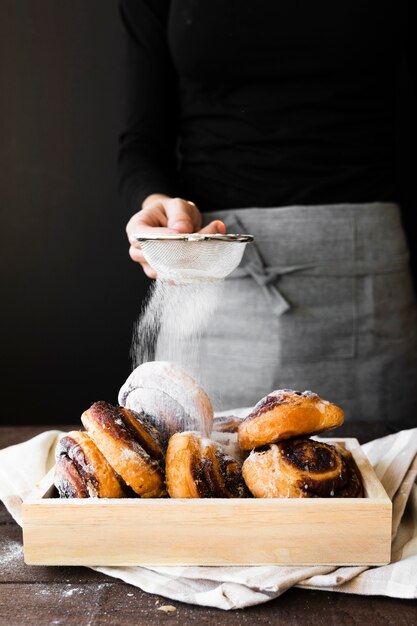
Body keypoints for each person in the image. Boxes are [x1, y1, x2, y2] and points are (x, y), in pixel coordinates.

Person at [118, 0, 417, 427]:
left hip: (363, 286)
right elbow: (143, 141)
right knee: (199, 469)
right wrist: (156, 206)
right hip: (210, 277)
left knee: (382, 482)